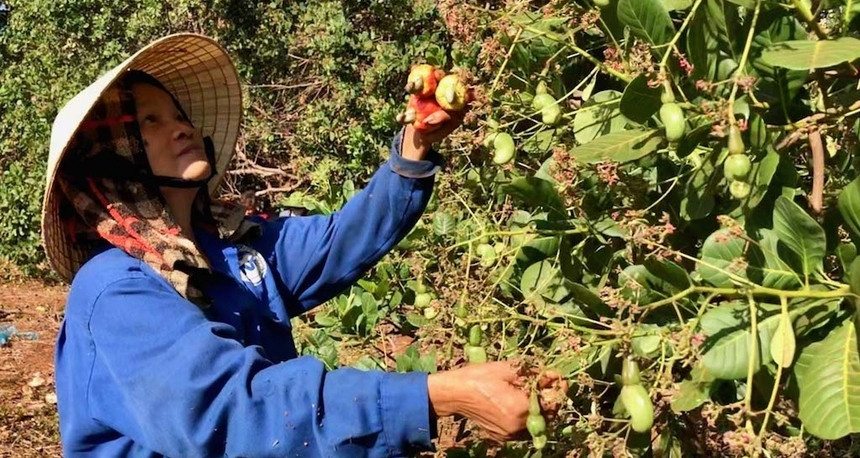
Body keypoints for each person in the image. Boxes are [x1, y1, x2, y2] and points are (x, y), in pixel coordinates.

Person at [41, 34, 539, 457]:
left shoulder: (231, 250)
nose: (182, 126)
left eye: (177, 113)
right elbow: (236, 412)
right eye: (149, 121)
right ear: (111, 153)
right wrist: (433, 395)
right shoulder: (116, 292)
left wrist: (414, 147)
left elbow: (341, 240)